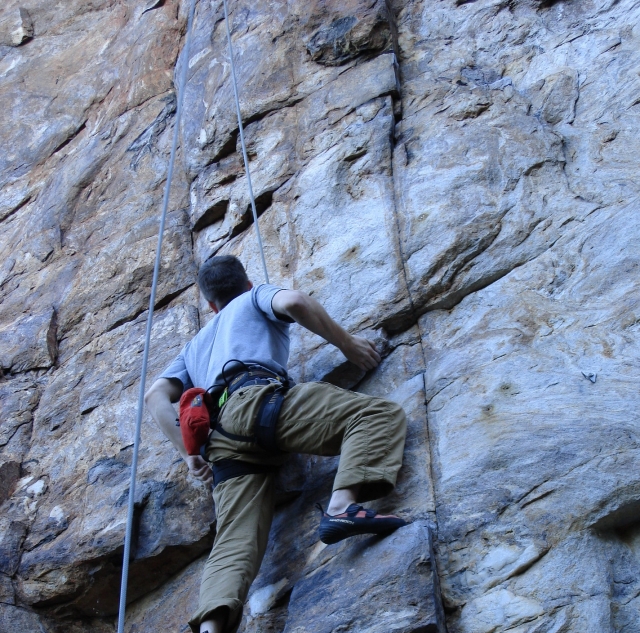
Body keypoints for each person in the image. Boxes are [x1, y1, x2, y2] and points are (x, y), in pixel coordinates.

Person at [145, 255, 407, 633]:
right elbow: (295, 303)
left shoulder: (195, 346)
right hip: (256, 400)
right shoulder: (252, 299)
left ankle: (211, 628)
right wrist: (348, 344)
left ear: (209, 304)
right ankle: (341, 506)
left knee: (233, 541)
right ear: (248, 283)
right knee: (376, 416)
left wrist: (190, 454)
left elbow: (156, 396)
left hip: (222, 443)